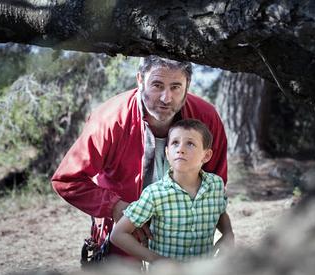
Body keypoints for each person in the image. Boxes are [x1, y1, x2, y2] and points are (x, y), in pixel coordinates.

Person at [51, 55, 230, 259]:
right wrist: (115, 206)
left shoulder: (206, 118)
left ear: (187, 85)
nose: (166, 98)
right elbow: (66, 180)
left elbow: (216, 183)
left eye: (175, 87)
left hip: (187, 247)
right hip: (123, 242)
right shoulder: (109, 120)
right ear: (139, 80)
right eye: (157, 85)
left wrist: (226, 231)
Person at [111, 119, 234, 262]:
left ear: (206, 156)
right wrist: (157, 260)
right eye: (175, 142)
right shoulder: (155, 193)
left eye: (190, 143)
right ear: (167, 153)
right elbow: (118, 234)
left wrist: (228, 233)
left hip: (204, 274)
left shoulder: (216, 185)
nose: (180, 149)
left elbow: (220, 212)